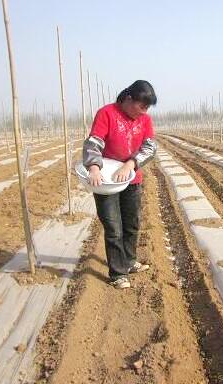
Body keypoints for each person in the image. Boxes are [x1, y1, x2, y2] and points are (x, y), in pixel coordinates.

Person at [83, 80, 157, 289]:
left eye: (147, 108)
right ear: (128, 99)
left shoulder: (145, 120)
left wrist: (131, 163)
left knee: (132, 224)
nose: (144, 112)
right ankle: (117, 273)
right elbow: (94, 141)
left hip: (131, 178)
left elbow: (150, 147)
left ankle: (130, 261)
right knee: (114, 226)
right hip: (106, 180)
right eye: (141, 106)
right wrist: (94, 167)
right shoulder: (107, 113)